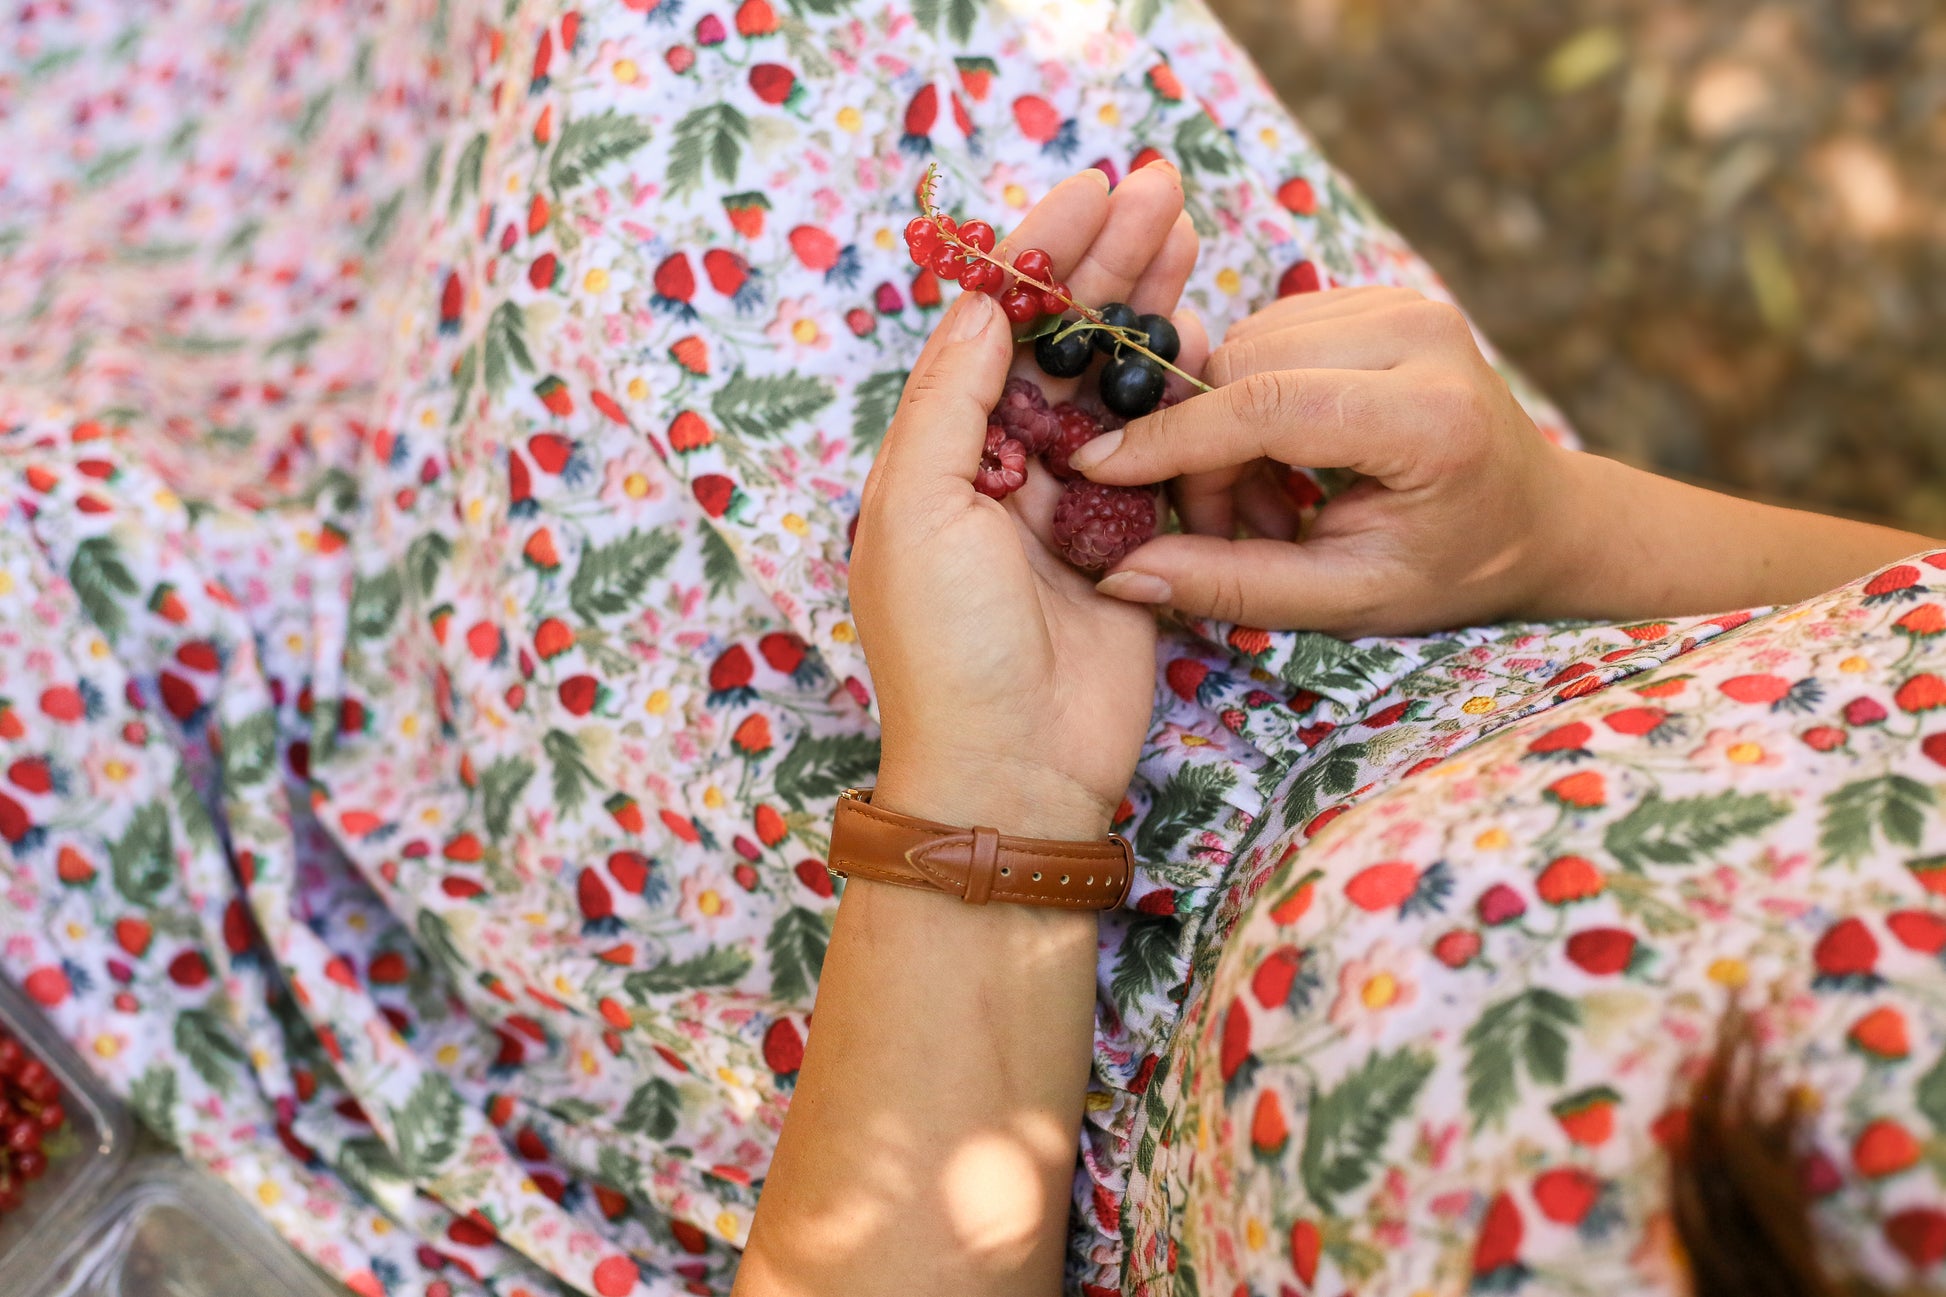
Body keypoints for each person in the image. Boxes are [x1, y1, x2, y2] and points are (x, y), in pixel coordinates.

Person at [1, 4, 1941, 1297]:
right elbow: (1890, 621)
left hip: (888, 991)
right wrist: (1545, 522)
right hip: (1357, 558)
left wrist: (992, 788)